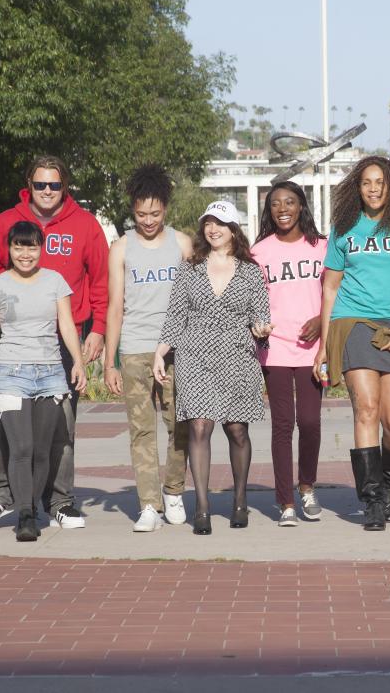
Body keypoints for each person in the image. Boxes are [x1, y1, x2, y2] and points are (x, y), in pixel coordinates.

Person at [0, 155, 109, 530]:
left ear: (65, 187)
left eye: (54, 185)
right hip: (13, 345)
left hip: (64, 340)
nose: (47, 191)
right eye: (40, 184)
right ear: (30, 184)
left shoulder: (85, 225)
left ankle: (59, 500)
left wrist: (98, 329)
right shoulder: (6, 222)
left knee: (61, 430)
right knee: (0, 427)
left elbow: (102, 280)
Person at [313, 155, 390, 531]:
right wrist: (323, 347)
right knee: (367, 408)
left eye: (380, 181)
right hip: (354, 322)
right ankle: (372, 499)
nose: (374, 188)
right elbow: (329, 288)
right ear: (357, 188)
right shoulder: (345, 228)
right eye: (366, 182)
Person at [153, 200, 271, 535]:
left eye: (220, 222)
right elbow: (176, 315)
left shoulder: (250, 270)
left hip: (236, 356)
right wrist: (161, 352)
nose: (212, 229)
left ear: (234, 228)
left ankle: (239, 500)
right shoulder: (190, 267)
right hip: (195, 356)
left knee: (237, 430)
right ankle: (202, 507)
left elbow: (260, 316)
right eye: (208, 222)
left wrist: (261, 330)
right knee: (200, 428)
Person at [0, 221, 87, 541]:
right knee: (20, 447)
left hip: (50, 374)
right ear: (9, 249)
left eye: (32, 247)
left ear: (41, 248)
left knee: (42, 450)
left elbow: (67, 325)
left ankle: (34, 506)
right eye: (19, 247)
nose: (25, 253)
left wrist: (77, 362)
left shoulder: (55, 281)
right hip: (11, 373)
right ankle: (25, 514)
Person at [103, 164, 192, 532]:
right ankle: (149, 505)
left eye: (155, 213)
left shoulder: (183, 243)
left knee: (180, 425)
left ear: (166, 208)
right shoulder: (121, 248)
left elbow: (195, 299)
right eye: (141, 214)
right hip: (135, 350)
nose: (148, 220)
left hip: (176, 350)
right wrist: (110, 362)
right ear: (132, 209)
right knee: (141, 430)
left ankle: (173, 491)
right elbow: (114, 307)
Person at [251, 182, 327, 527]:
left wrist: (321, 320)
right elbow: (250, 300)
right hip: (276, 348)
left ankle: (307, 486)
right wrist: (257, 325)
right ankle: (286, 503)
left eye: (290, 202)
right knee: (283, 425)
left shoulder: (322, 247)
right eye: (276, 203)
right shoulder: (260, 252)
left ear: (301, 207)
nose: (283, 208)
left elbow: (336, 292)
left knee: (309, 423)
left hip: (313, 350)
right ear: (270, 210)